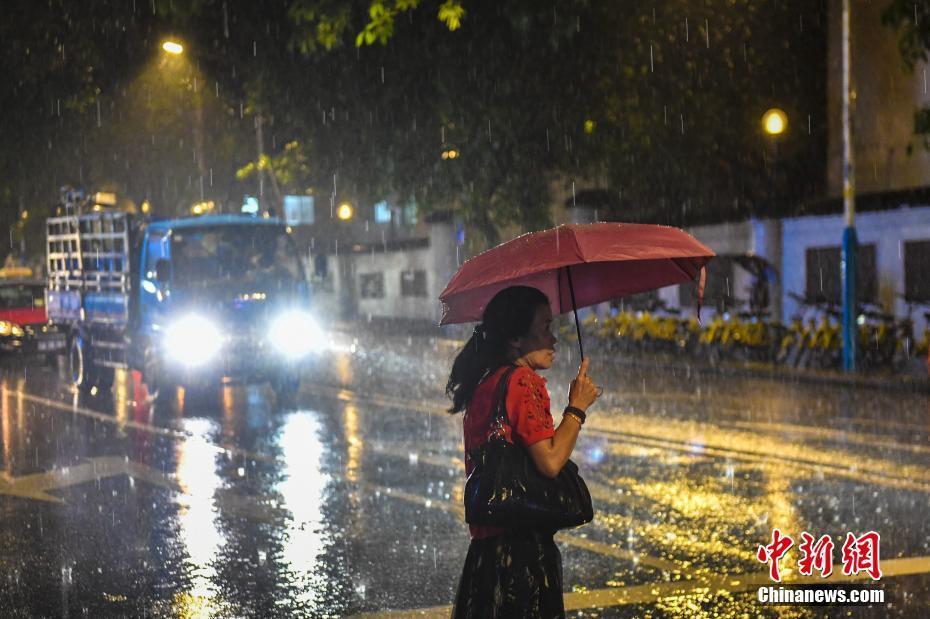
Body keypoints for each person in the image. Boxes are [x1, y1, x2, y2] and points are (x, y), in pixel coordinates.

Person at [446, 285, 600, 618]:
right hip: (521, 557)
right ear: (516, 337)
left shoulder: (486, 381)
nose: (554, 339)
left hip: (486, 555)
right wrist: (577, 408)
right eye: (545, 327)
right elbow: (550, 461)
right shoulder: (521, 381)